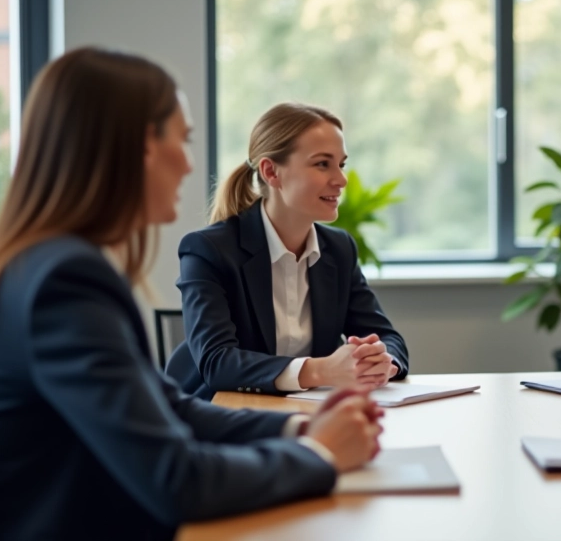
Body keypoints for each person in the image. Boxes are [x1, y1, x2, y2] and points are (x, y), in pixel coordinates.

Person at [0, 48, 383, 540]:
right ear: (141, 146)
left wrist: (299, 429)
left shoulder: (46, 266)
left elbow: (169, 407)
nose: (188, 165)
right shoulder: (65, 283)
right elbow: (178, 480)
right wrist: (320, 454)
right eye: (181, 141)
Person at [164, 102, 408, 400]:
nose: (341, 180)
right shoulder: (209, 250)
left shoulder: (339, 249)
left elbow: (387, 338)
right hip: (216, 414)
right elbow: (217, 362)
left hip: (306, 411)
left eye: (341, 164)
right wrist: (321, 370)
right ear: (271, 172)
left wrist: (383, 363)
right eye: (322, 164)